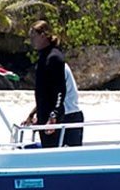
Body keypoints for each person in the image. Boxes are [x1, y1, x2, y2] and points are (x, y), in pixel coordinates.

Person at [23, 20, 84, 148]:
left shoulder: (54, 58)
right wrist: (34, 113)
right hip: (49, 116)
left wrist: (53, 116)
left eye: (33, 36)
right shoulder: (43, 59)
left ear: (43, 36)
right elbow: (46, 94)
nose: (31, 40)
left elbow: (60, 91)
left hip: (66, 115)